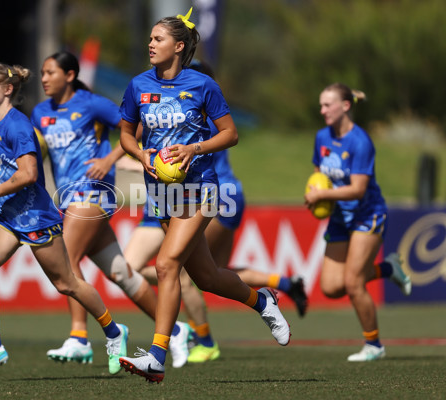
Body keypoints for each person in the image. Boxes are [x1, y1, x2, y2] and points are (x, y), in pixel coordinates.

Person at [117, 8, 291, 383]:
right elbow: (126, 135)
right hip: (161, 194)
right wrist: (141, 153)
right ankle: (262, 301)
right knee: (208, 277)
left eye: (158, 39)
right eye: (149, 38)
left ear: (178, 46)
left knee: (165, 266)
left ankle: (158, 356)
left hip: (201, 189)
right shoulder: (137, 85)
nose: (150, 44)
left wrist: (193, 150)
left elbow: (230, 134)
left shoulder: (202, 85)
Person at [0, 62, 128, 374]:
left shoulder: (18, 125)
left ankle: (115, 333)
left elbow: (29, 174)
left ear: (7, 89)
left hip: (35, 217)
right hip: (6, 217)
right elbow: (6, 172)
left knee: (68, 284)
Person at [30, 51, 192, 369]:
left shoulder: (92, 104)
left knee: (67, 262)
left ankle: (79, 338)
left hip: (94, 194)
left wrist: (109, 160)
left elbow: (136, 127)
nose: (45, 78)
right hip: (68, 198)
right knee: (121, 274)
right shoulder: (39, 113)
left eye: (51, 72)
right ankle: (175, 330)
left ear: (70, 75)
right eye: (42, 73)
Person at [304, 82, 412, 362]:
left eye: (328, 105)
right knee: (330, 287)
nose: (322, 110)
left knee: (353, 283)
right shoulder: (321, 137)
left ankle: (374, 345)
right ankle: (388, 268)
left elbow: (358, 189)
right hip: (341, 217)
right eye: (321, 104)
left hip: (368, 214)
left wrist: (323, 194)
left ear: (346, 106)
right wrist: (315, 195)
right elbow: (320, 176)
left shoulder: (361, 142)